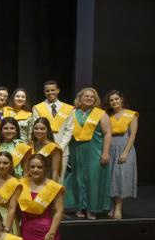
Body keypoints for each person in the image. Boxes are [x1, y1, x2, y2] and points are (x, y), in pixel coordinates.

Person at [64, 87, 112, 219]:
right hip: (76, 151)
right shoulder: (72, 113)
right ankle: (80, 207)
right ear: (80, 98)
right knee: (78, 179)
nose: (89, 98)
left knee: (93, 180)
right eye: (86, 96)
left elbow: (108, 134)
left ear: (95, 99)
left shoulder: (101, 114)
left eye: (92, 96)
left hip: (94, 151)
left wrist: (106, 153)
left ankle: (92, 209)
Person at [104, 90, 138, 219]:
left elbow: (133, 135)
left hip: (124, 147)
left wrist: (125, 152)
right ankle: (113, 206)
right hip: (110, 146)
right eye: (111, 100)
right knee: (111, 179)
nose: (114, 102)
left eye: (116, 99)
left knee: (120, 178)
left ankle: (118, 208)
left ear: (121, 100)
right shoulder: (108, 116)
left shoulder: (131, 115)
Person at [32, 80, 75, 178]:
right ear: (44, 92)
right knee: (42, 178)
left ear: (58, 91)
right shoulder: (37, 108)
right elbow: (37, 130)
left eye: (53, 90)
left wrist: (60, 147)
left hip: (62, 149)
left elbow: (69, 130)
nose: (50, 93)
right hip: (42, 148)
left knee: (59, 179)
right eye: (47, 91)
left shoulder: (68, 108)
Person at [0, 152, 20, 234]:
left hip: (7, 219)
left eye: (5, 163)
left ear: (11, 164)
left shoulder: (15, 183)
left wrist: (7, 228)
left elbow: (12, 208)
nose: (1, 166)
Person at [30, 117, 64, 182]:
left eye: (42, 129)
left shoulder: (54, 148)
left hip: (46, 185)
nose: (38, 131)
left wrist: (53, 190)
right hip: (31, 184)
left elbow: (55, 173)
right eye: (36, 129)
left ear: (47, 130)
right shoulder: (30, 145)